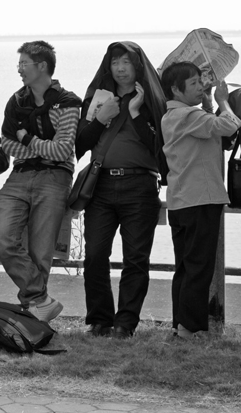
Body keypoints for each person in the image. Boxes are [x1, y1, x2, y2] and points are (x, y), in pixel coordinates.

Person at [75, 42, 168, 338]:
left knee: (136, 259)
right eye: (115, 62)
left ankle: (125, 324)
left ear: (138, 66)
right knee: (95, 255)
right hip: (101, 186)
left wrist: (135, 112)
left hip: (140, 186)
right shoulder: (99, 98)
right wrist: (102, 118)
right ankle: (100, 320)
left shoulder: (152, 100)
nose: (120, 68)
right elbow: (80, 144)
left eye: (126, 62)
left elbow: (159, 147)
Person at [0, 41, 81, 322]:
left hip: (56, 176)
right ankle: (40, 299)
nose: (19, 69)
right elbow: (7, 143)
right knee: (4, 238)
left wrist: (28, 139)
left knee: (41, 252)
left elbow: (62, 151)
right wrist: (38, 147)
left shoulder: (68, 102)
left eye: (24, 63)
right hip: (19, 175)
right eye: (19, 63)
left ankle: (32, 314)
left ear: (42, 66)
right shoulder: (17, 101)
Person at [161, 62, 241, 338]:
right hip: (200, 198)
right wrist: (223, 101)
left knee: (185, 267)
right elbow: (228, 126)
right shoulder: (188, 115)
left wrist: (207, 105)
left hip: (181, 200)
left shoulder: (173, 115)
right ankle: (190, 327)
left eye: (200, 81)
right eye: (193, 83)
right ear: (176, 89)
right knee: (199, 267)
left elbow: (208, 131)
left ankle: (180, 324)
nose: (200, 87)